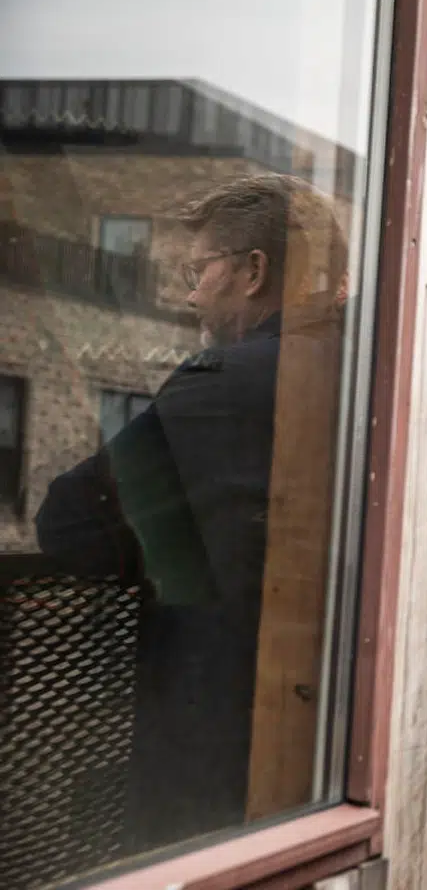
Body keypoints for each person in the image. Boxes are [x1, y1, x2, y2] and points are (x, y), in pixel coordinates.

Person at [33, 173, 344, 851]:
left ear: (252, 271)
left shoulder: (231, 381)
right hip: (331, 734)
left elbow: (69, 526)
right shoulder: (363, 367)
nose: (188, 292)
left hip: (223, 744)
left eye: (198, 270)